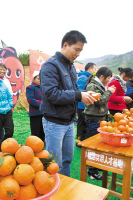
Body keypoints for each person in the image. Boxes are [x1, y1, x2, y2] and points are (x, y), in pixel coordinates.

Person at [40, 30, 97, 177]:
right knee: (54, 164)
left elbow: (73, 89)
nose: (78, 54)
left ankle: (64, 189)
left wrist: (84, 93)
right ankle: (52, 191)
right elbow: (51, 94)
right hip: (54, 122)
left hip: (69, 121)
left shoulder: (71, 66)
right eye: (76, 49)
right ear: (65, 45)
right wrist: (78, 95)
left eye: (80, 51)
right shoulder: (50, 66)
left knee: (67, 160)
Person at [84, 67, 115, 180]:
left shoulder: (98, 84)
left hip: (99, 117)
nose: (108, 81)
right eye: (108, 78)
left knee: (99, 144)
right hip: (94, 118)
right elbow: (99, 101)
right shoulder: (92, 86)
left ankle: (95, 166)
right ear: (101, 77)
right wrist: (109, 92)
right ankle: (92, 171)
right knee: (94, 145)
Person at [76, 62, 97, 143]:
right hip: (83, 105)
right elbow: (80, 92)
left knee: (82, 124)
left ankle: (80, 141)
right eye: (95, 69)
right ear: (90, 69)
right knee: (83, 125)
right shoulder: (83, 78)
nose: (95, 71)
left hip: (84, 105)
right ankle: (80, 141)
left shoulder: (88, 77)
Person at [26, 71, 45, 142]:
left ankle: (41, 148)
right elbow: (30, 100)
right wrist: (43, 104)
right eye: (38, 79)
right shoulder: (30, 87)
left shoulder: (44, 88)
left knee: (43, 132)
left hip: (44, 113)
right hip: (35, 114)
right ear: (34, 79)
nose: (40, 80)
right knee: (36, 133)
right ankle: (35, 148)